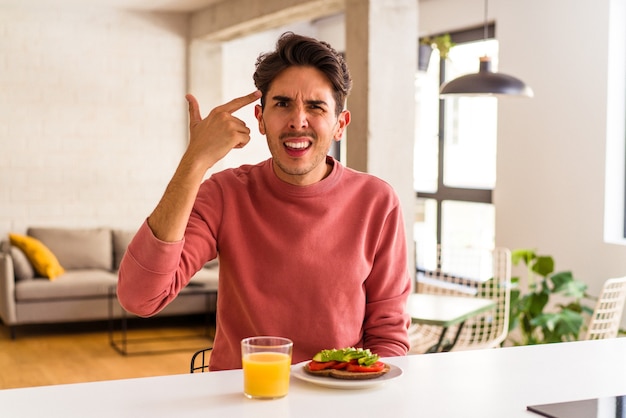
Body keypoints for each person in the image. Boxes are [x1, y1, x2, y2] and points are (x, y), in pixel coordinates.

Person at [117, 32, 411, 371]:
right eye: (282, 103)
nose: (297, 120)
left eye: (315, 106)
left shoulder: (377, 201)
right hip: (241, 397)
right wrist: (194, 162)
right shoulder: (226, 194)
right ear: (260, 119)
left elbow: (388, 335)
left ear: (339, 125)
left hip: (338, 395)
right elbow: (140, 297)